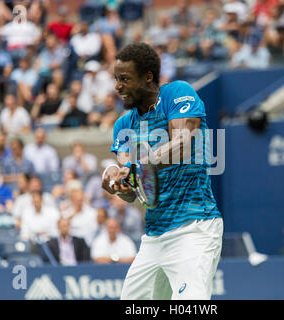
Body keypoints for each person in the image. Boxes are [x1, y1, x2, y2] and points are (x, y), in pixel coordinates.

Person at [102, 43, 223, 300]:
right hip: (154, 238)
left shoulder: (177, 93)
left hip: (194, 228)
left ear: (147, 76)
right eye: (116, 79)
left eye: (125, 79)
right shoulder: (123, 125)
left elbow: (182, 145)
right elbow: (133, 191)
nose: (117, 86)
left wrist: (138, 165)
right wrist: (116, 179)